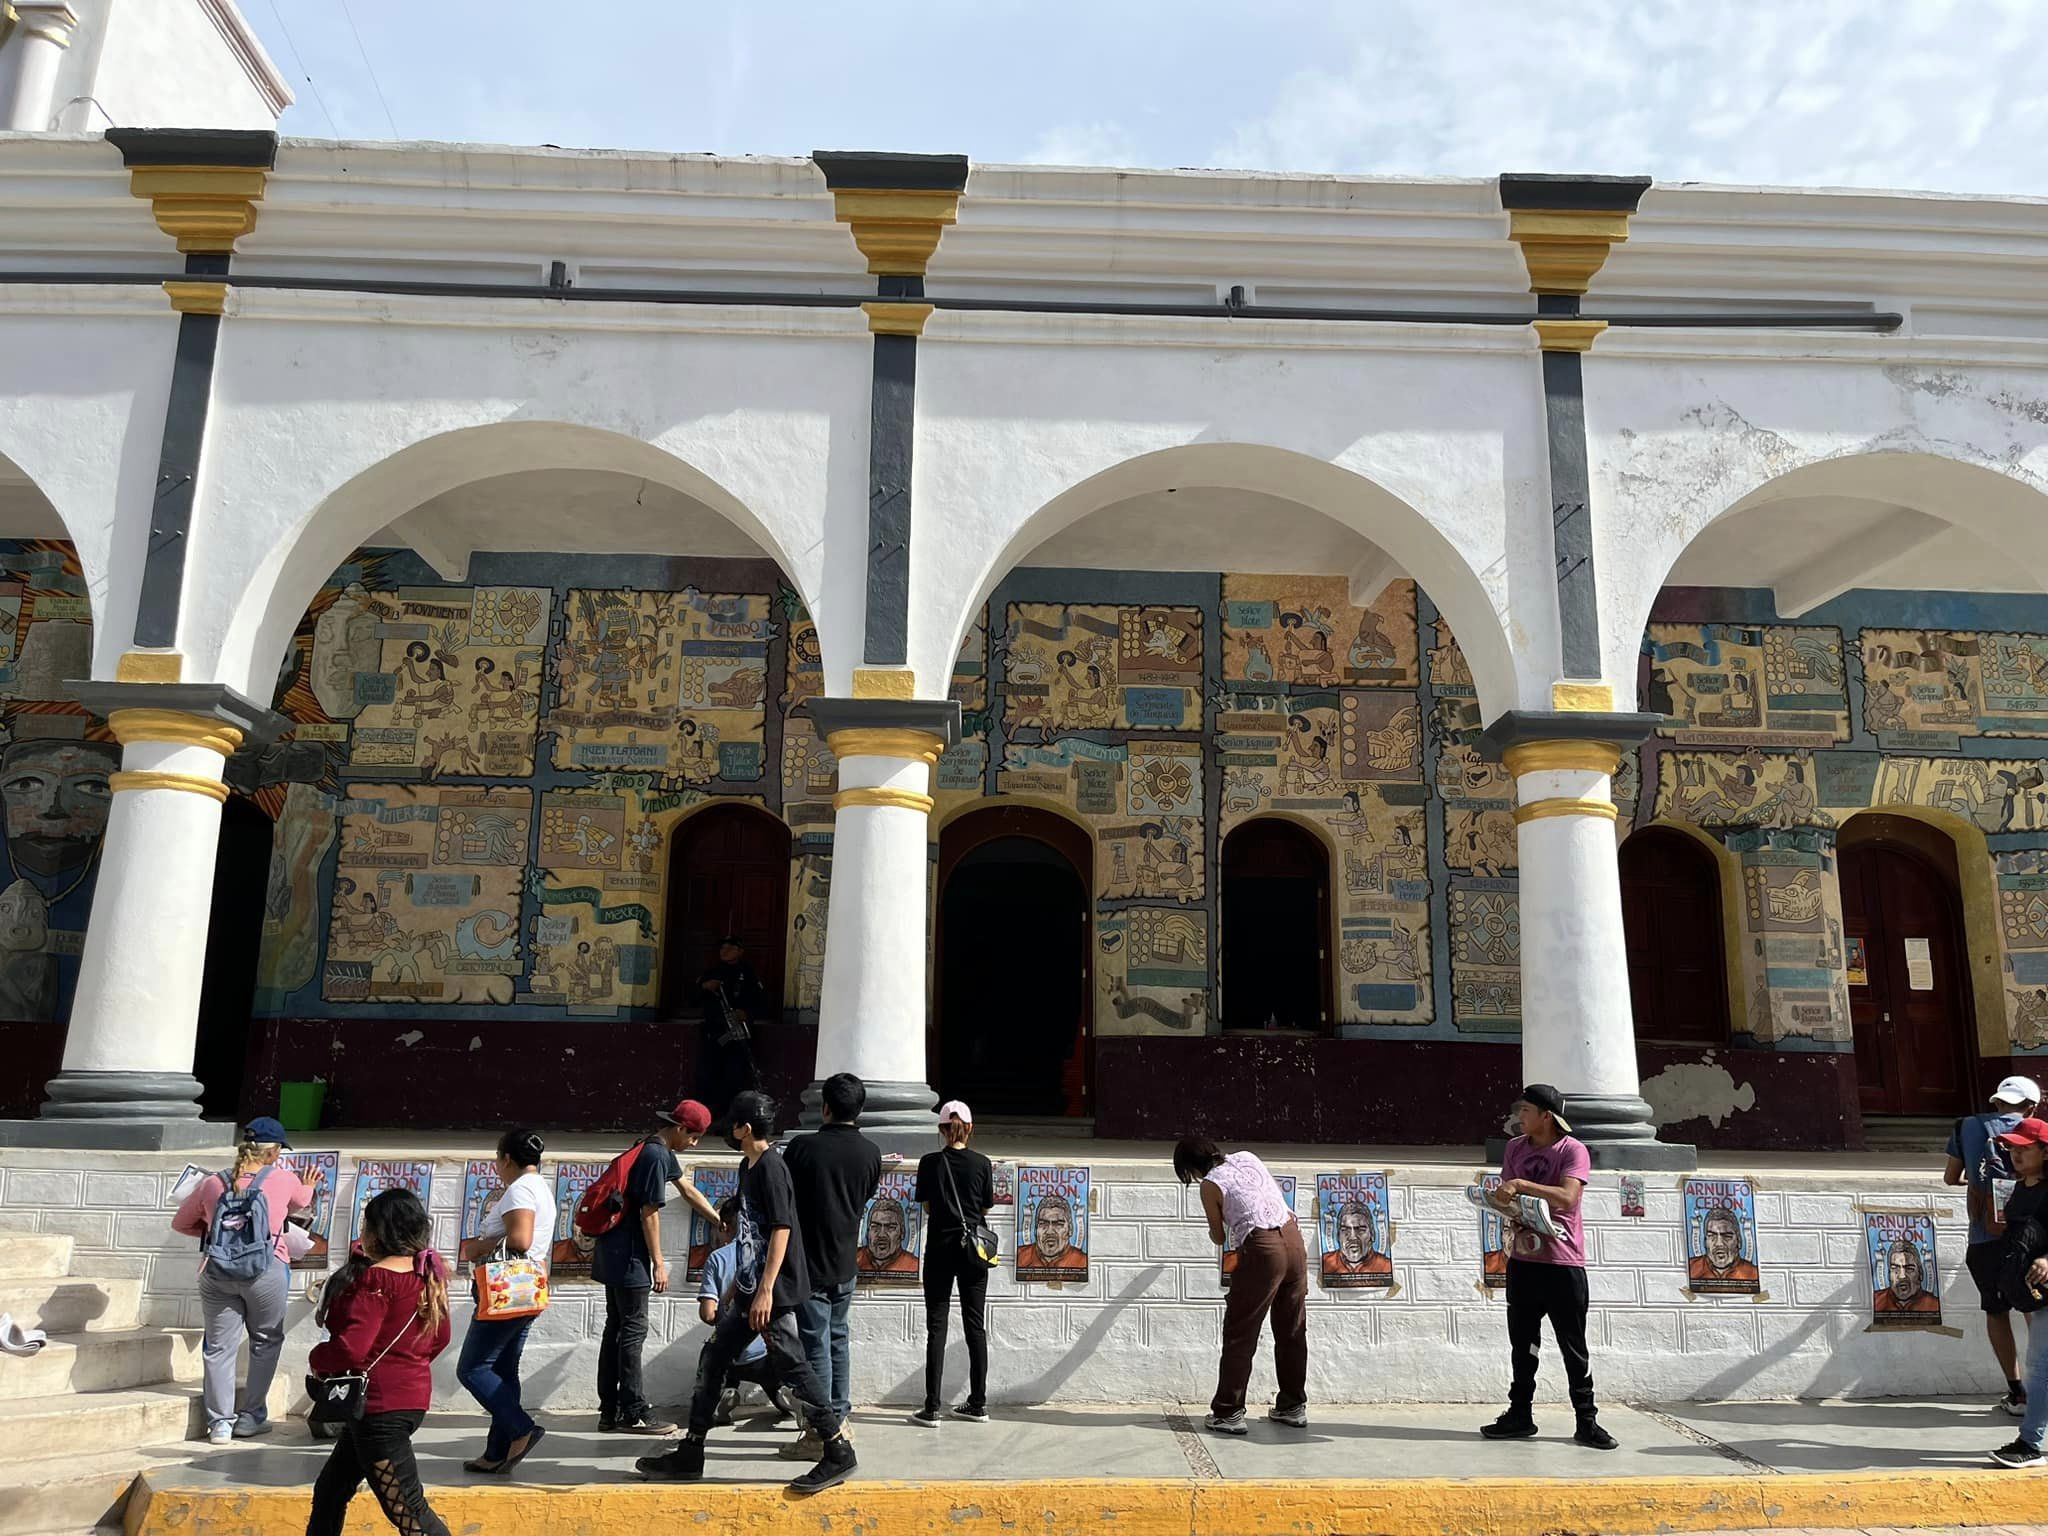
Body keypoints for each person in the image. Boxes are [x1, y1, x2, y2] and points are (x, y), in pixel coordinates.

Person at [636, 1090, 857, 1494]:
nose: (729, 1131)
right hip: (753, 1287)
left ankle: (837, 1448)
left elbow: (781, 1229)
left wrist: (766, 1290)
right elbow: (752, 1236)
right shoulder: (748, 1166)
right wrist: (742, 1283)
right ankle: (692, 1450)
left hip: (776, 1291)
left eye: (734, 1124)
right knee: (715, 1353)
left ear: (746, 1127)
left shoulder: (772, 1168)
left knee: (793, 1368)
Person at [305, 1188, 453, 1536]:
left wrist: (318, 1359)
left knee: (411, 1514)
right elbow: (440, 1338)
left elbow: (351, 1350)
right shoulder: (426, 1276)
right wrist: (407, 1366)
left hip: (379, 1412)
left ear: (378, 1231)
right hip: (403, 1403)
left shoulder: (377, 1279)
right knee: (330, 1490)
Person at [1480, 1084, 1616, 1451]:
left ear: (1546, 1116)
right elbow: (1509, 1196)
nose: (1519, 1117)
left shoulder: (1572, 1150)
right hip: (1524, 1261)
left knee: (1573, 1346)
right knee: (1523, 1345)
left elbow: (1569, 1197)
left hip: (1562, 1262)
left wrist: (1523, 1184)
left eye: (1526, 1110)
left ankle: (1586, 1421)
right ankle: (1520, 1413)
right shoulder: (1514, 1149)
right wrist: (1500, 1203)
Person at [170, 1115, 316, 1445]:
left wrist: (213, 1234)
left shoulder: (212, 1183)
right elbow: (304, 1201)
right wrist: (308, 1183)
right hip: (266, 1269)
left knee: (219, 1348)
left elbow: (181, 1223)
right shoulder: (283, 1179)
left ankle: (220, 1423)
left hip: (217, 1271)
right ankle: (251, 1417)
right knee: (265, 1341)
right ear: (273, 1151)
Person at [592, 1099, 719, 1436]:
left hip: (611, 1251)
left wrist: (719, 1220)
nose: (694, 1144)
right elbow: (649, 1212)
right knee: (632, 1332)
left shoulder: (650, 1147)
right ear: (680, 1128)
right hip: (630, 1256)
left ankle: (610, 1411)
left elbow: (686, 1189)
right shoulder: (656, 1155)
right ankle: (633, 1411)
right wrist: (659, 1263)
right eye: (694, 1137)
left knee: (617, 1329)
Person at [1173, 1136, 1308, 1436]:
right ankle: (1292, 1406)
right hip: (1294, 1240)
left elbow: (1219, 1236)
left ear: (1191, 1169)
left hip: (1262, 1249)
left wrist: (1221, 1226)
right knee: (1291, 1329)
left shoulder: (1210, 1184)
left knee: (1240, 1331)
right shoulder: (1247, 1156)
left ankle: (1229, 1411)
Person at [782, 1072, 882, 1462]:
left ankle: (822, 1432)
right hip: (845, 1260)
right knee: (837, 1338)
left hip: (810, 1262)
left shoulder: (802, 1149)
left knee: (815, 1344)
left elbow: (786, 1199)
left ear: (824, 1107)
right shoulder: (871, 1152)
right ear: (859, 1110)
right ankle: (839, 1415)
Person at [454, 1128, 553, 1474]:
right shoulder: (540, 1187)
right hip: (527, 1290)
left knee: (471, 1369)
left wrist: (475, 1248)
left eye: (498, 1158)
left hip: (505, 1292)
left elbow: (520, 1240)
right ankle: (497, 1451)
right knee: (502, 1370)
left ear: (506, 1159)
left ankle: (521, 1428)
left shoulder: (520, 1189)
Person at [1947, 1074, 2040, 1417]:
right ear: (2030, 1107)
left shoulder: (1966, 1127)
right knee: (2036, 1312)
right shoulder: (2038, 1131)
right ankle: (2041, 1387)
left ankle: (2017, 1393)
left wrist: (1978, 1177)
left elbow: (1950, 1177)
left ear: (1997, 1101)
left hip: (1985, 1236)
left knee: (1996, 1311)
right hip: (2030, 1237)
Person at [912, 1100, 995, 1426]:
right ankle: (978, 1402)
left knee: (937, 1327)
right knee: (975, 1326)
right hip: (974, 1253)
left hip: (940, 1251)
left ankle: (932, 1407)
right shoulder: (982, 1163)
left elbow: (928, 1207)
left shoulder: (930, 1163)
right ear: (970, 1129)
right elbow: (985, 1208)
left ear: (942, 1129)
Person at [698, 1196, 793, 1425]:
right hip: (767, 1352)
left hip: (730, 1353)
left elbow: (707, 1314)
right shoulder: (772, 1254)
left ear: (724, 1226)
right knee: (776, 1379)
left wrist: (724, 1307)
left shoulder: (717, 1258)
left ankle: (726, 1393)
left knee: (714, 1354)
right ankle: (784, 1396)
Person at [1990, 1117, 2048, 1468]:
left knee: (2039, 1367)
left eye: (2024, 1148)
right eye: (2012, 1148)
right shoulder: (2022, 1187)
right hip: (2037, 1291)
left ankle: (2030, 1442)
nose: (2016, 1154)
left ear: (2045, 1150)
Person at [697, 936, 763, 1125]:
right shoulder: (713, 971)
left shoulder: (747, 973)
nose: (724, 951)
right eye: (722, 948)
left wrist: (746, 1013)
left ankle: (731, 1117)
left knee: (734, 1077)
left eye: (730, 948)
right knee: (710, 1075)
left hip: (737, 1034)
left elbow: (759, 1000)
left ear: (740, 951)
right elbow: (694, 997)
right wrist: (705, 987)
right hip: (714, 1032)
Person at [1687, 1206, 1759, 1287]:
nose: (1719, 1243)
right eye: (1711, 1236)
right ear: (1705, 1241)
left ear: (1739, 1241)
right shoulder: (1690, 1268)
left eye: (1727, 1236)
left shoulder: (1754, 1274)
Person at [1015, 1192, 1086, 1273]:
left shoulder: (1082, 1262)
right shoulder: (1020, 1256)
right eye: (1043, 1224)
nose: (1049, 1231)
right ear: (1035, 1230)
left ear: (1070, 1230)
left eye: (1058, 1224)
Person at [1320, 1201, 1393, 1280]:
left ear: (1372, 1235)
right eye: (1345, 1230)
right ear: (1338, 1236)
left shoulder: (1386, 1266)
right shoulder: (1325, 1263)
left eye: (1361, 1230)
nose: (1353, 1237)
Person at [1874, 1239, 1941, 1316]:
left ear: (1921, 1274)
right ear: (1889, 1274)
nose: (1902, 1276)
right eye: (1895, 1269)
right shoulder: (1876, 1301)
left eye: (1909, 1269)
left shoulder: (1934, 1305)